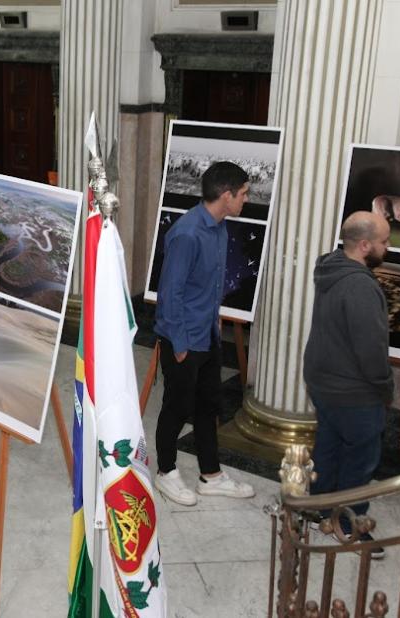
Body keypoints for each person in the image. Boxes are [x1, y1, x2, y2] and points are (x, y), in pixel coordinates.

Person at [153, 161, 256, 506]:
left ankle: (210, 475)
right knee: (176, 407)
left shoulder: (219, 226)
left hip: (208, 333)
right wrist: (180, 345)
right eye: (242, 194)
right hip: (182, 338)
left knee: (208, 404)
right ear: (226, 195)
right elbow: (170, 293)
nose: (245, 199)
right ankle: (165, 472)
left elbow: (206, 285)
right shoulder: (187, 233)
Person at [303, 210, 393, 558]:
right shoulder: (359, 286)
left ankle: (319, 511)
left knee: (327, 446)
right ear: (365, 245)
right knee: (360, 460)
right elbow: (371, 351)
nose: (388, 248)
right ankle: (348, 525)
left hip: (323, 383)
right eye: (384, 242)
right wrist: (385, 386)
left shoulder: (331, 267)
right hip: (353, 391)